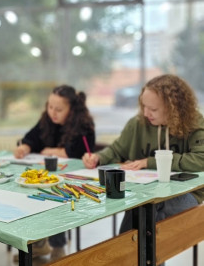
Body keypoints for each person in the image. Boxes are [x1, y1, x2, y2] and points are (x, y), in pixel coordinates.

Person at [82, 74, 204, 235]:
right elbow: (116, 150)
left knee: (148, 207)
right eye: (143, 106)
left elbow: (201, 159)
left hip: (185, 194)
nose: (146, 113)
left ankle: (128, 255)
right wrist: (98, 157)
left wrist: (150, 162)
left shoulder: (193, 122)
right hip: (146, 193)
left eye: (153, 109)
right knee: (143, 207)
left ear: (175, 108)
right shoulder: (137, 123)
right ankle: (136, 256)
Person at [14, 84, 95, 261]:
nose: (53, 112)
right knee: (32, 192)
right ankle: (40, 243)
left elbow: (77, 151)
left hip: (75, 177)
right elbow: (32, 138)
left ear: (72, 109)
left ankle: (58, 246)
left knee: (56, 196)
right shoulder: (47, 120)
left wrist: (50, 150)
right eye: (50, 107)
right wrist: (25, 147)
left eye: (59, 109)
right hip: (48, 173)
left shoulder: (84, 124)